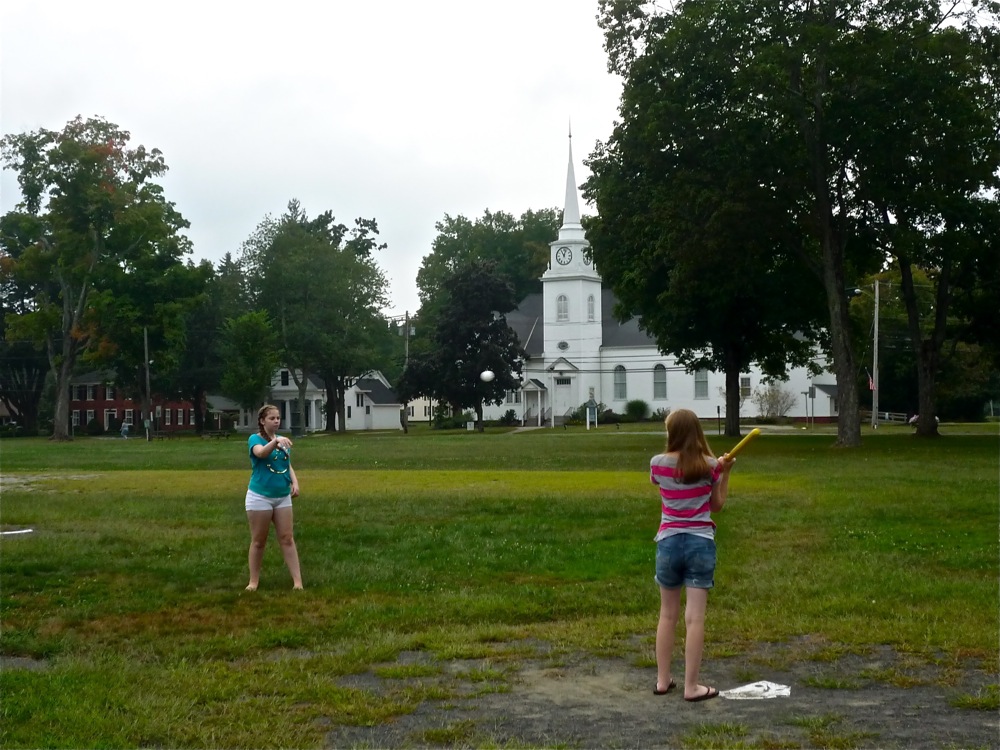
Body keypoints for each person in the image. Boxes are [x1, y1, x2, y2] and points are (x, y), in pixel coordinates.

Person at [649, 408, 734, 702]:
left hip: (668, 543)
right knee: (694, 619)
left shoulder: (657, 464)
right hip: (700, 543)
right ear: (697, 431)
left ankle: (662, 681)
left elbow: (664, 481)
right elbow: (717, 506)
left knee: (667, 614)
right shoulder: (710, 466)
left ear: (672, 433)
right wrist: (724, 474)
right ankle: (691, 687)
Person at [244, 404, 303, 591]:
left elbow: (287, 464)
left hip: (282, 496)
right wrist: (275, 442)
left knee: (287, 538)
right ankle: (253, 582)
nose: (276, 421)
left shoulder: (282, 441)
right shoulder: (255, 439)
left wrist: (295, 482)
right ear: (262, 421)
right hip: (260, 496)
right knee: (259, 540)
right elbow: (260, 453)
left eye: (278, 418)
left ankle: (297, 582)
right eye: (272, 418)